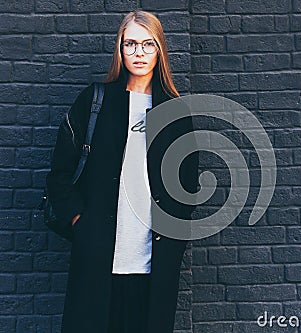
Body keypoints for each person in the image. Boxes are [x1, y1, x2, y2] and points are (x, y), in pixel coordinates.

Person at [46, 9, 199, 333]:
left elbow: (189, 188)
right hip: (98, 259)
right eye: (130, 43)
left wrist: (172, 243)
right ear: (120, 48)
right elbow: (60, 174)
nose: (139, 53)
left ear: (160, 50)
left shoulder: (176, 112)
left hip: (154, 266)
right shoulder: (94, 102)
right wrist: (81, 225)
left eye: (148, 44)